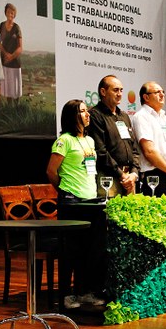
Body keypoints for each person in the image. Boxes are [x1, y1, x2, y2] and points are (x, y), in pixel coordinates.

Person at [46, 99, 106, 309]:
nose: (87, 114)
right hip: (72, 203)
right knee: (70, 251)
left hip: (91, 201)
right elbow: (51, 171)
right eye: (82, 111)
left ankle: (85, 292)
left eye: (87, 111)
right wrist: (65, 191)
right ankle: (65, 294)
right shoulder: (64, 141)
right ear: (72, 116)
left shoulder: (89, 140)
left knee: (90, 250)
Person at [88, 75, 140, 198]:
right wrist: (121, 174)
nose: (120, 94)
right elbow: (100, 151)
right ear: (103, 91)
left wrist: (133, 173)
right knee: (110, 216)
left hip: (129, 179)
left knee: (130, 215)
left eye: (121, 90)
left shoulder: (124, 116)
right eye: (115, 90)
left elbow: (134, 148)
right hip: (109, 178)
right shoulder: (95, 115)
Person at [131, 81, 166, 197]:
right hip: (155, 175)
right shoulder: (141, 117)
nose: (162, 94)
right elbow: (149, 151)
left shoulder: (164, 118)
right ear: (146, 97)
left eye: (162, 92)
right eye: (157, 92)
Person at [0, 3, 23, 103]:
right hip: (4, 61)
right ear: (5, 13)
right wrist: (6, 54)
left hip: (15, 62)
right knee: (7, 88)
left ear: (14, 15)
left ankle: (17, 109)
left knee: (16, 89)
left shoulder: (17, 28)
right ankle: (9, 110)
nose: (11, 14)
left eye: (12, 13)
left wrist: (12, 56)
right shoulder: (1, 26)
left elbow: (20, 48)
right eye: (9, 12)